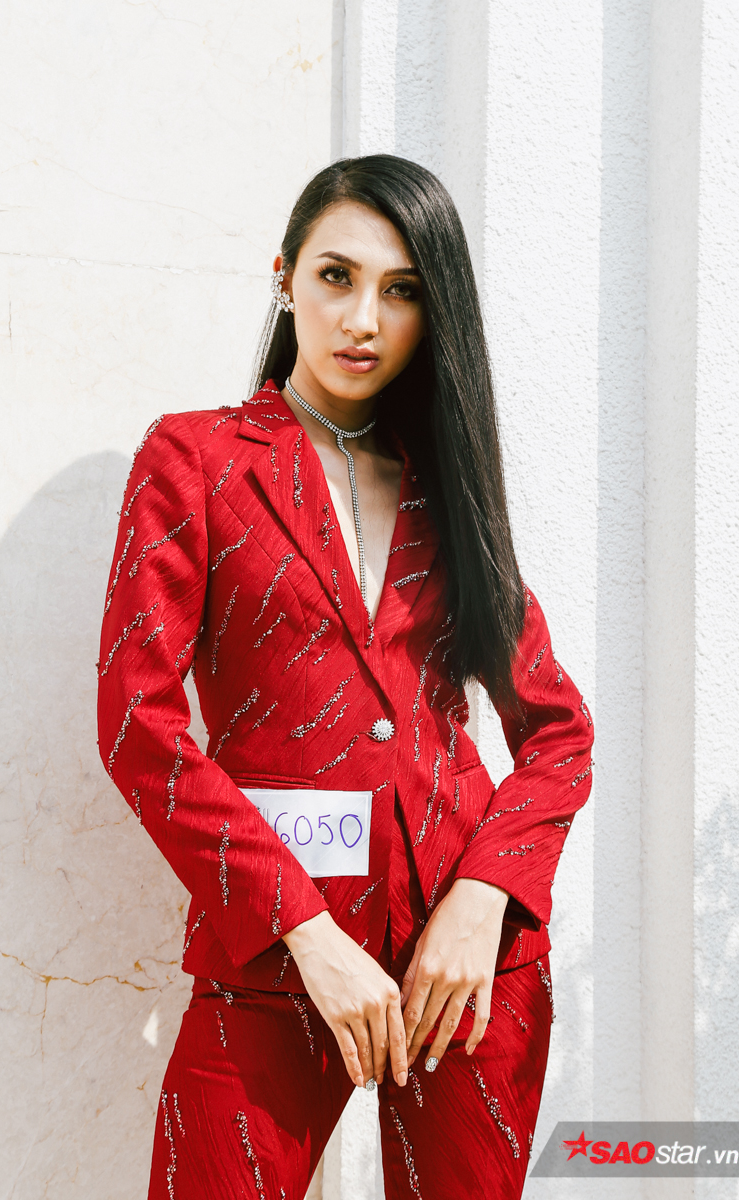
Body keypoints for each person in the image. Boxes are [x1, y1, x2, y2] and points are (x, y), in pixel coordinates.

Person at [97, 154, 594, 1200]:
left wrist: (485, 899)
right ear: (285, 278)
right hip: (273, 952)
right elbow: (138, 726)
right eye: (336, 276)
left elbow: (557, 733)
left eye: (401, 290)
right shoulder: (195, 460)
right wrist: (307, 933)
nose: (363, 318)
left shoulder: (448, 485)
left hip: (464, 973)